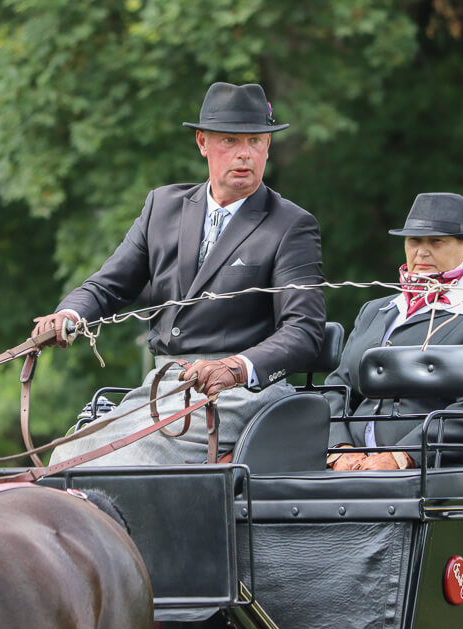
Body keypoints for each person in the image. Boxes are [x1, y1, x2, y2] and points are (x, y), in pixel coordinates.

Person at [33, 82, 326, 466]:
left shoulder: (290, 225)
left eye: (255, 141)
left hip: (241, 394)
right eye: (230, 141)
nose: (244, 154)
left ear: (267, 146)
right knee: (66, 456)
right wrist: (69, 314)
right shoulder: (163, 207)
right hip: (161, 389)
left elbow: (303, 331)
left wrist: (236, 368)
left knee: (127, 463)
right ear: (203, 142)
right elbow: (108, 286)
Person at [325, 192, 463, 471]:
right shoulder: (375, 311)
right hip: (352, 467)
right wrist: (340, 449)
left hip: (435, 470)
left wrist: (403, 456)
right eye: (414, 240)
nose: (422, 251)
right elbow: (338, 388)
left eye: (436, 241)